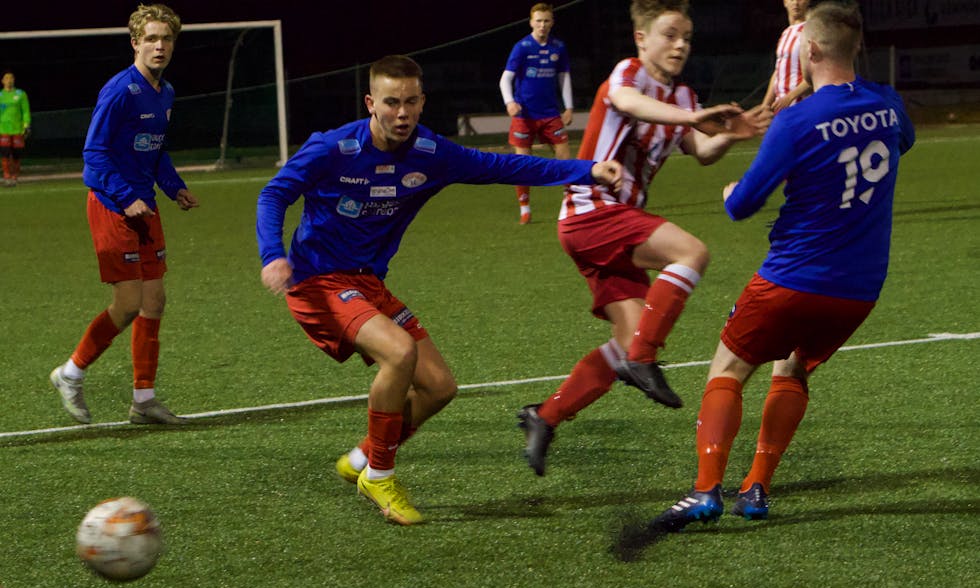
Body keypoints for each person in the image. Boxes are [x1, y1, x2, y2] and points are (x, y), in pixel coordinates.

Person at [256, 54, 622, 526]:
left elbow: (502, 167)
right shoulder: (332, 148)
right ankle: (381, 476)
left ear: (422, 101)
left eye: (411, 101)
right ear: (371, 103)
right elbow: (274, 194)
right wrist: (272, 254)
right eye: (391, 102)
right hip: (317, 280)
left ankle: (364, 457)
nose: (402, 113)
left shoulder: (432, 154)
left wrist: (587, 171)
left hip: (367, 282)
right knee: (399, 353)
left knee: (440, 387)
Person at [650, 0, 914, 531]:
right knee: (791, 367)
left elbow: (743, 205)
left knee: (728, 368)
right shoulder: (888, 103)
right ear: (855, 47)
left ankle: (706, 491)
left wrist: (729, 191)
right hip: (858, 290)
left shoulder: (799, 119)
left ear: (810, 49)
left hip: (793, 277)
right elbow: (900, 142)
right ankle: (757, 488)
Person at [517, 0, 770, 476]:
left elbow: (702, 150)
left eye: (687, 37)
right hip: (592, 211)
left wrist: (733, 135)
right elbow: (630, 104)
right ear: (641, 38)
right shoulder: (627, 74)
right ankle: (644, 360)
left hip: (609, 221)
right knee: (691, 252)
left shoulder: (683, 97)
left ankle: (543, 416)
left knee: (625, 338)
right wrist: (691, 119)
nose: (680, 45)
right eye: (670, 34)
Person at [50, 3, 199, 426]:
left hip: (144, 207)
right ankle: (71, 373)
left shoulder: (165, 92)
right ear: (135, 43)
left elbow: (155, 150)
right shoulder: (119, 90)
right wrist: (124, 196)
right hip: (113, 206)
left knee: (155, 300)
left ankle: (143, 400)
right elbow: (93, 155)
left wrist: (174, 189)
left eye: (166, 39)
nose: (160, 46)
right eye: (151, 38)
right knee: (130, 303)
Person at [499, 2, 575, 224]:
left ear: (552, 22)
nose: (542, 25)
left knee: (564, 157)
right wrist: (509, 101)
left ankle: (569, 202)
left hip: (550, 113)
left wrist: (569, 106)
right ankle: (525, 208)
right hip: (524, 115)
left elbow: (564, 78)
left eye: (546, 20)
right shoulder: (522, 47)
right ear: (531, 22)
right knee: (522, 162)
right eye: (538, 21)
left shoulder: (558, 47)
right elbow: (506, 78)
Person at [762, 0, 812, 113]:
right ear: (785, 2)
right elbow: (778, 71)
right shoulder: (785, 34)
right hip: (782, 108)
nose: (796, 3)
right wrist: (765, 105)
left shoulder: (811, 31)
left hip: (801, 107)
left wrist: (790, 97)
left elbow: (816, 74)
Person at [0, 70, 31, 187]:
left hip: (17, 129)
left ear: (14, 80)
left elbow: (25, 111)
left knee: (16, 154)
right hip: (3, 130)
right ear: (2, 81)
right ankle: (7, 176)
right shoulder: (0, 96)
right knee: (5, 153)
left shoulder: (20, 94)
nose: (9, 80)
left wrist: (26, 124)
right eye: (6, 78)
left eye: (11, 78)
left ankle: (15, 176)